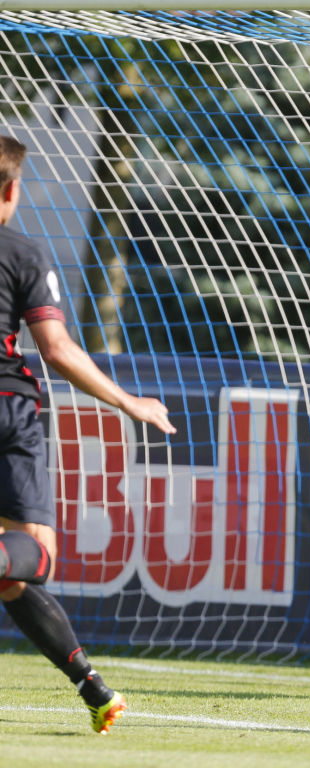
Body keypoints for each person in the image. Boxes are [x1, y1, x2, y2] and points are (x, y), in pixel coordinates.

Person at [0, 135, 176, 733]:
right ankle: (94, 687)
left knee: (9, 576)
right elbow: (55, 348)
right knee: (35, 556)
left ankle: (91, 687)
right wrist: (128, 401)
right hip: (7, 408)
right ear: (12, 190)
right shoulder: (22, 253)